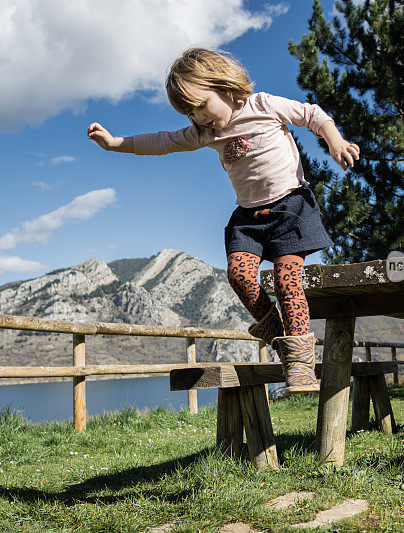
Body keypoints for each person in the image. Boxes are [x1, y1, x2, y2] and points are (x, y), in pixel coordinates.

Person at [87, 47, 359, 395]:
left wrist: (334, 140)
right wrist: (114, 144)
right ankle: (277, 330)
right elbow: (162, 141)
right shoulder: (204, 133)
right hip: (249, 216)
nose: (198, 118)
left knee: (287, 280)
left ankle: (301, 367)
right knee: (239, 275)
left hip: (290, 206)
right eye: (190, 113)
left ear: (224, 86)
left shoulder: (263, 105)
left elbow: (312, 114)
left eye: (200, 106)